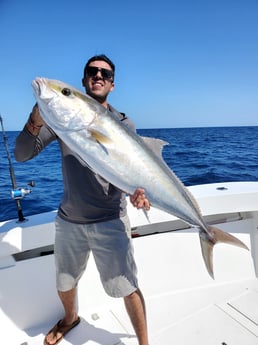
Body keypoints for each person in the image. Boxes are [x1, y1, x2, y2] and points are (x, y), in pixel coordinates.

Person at [14, 54, 150, 345]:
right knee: (65, 282)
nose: (98, 76)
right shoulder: (64, 120)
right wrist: (35, 119)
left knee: (127, 287)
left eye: (105, 73)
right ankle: (69, 319)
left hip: (111, 221)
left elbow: (133, 174)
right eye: (92, 71)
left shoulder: (125, 124)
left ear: (112, 84)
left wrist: (139, 194)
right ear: (84, 80)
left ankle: (144, 343)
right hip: (69, 221)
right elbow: (22, 154)